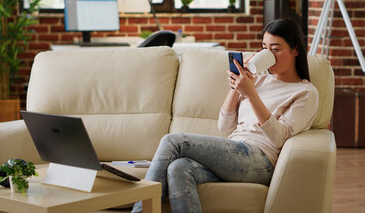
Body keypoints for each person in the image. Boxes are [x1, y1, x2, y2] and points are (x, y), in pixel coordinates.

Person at [131, 18, 319, 213]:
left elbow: (279, 137)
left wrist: (251, 94)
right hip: (236, 151)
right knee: (179, 168)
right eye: (264, 47)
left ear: (295, 49)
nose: (268, 54)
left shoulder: (305, 92)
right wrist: (237, 87)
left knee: (173, 142)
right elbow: (225, 125)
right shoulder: (259, 80)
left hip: (261, 161)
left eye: (275, 49)